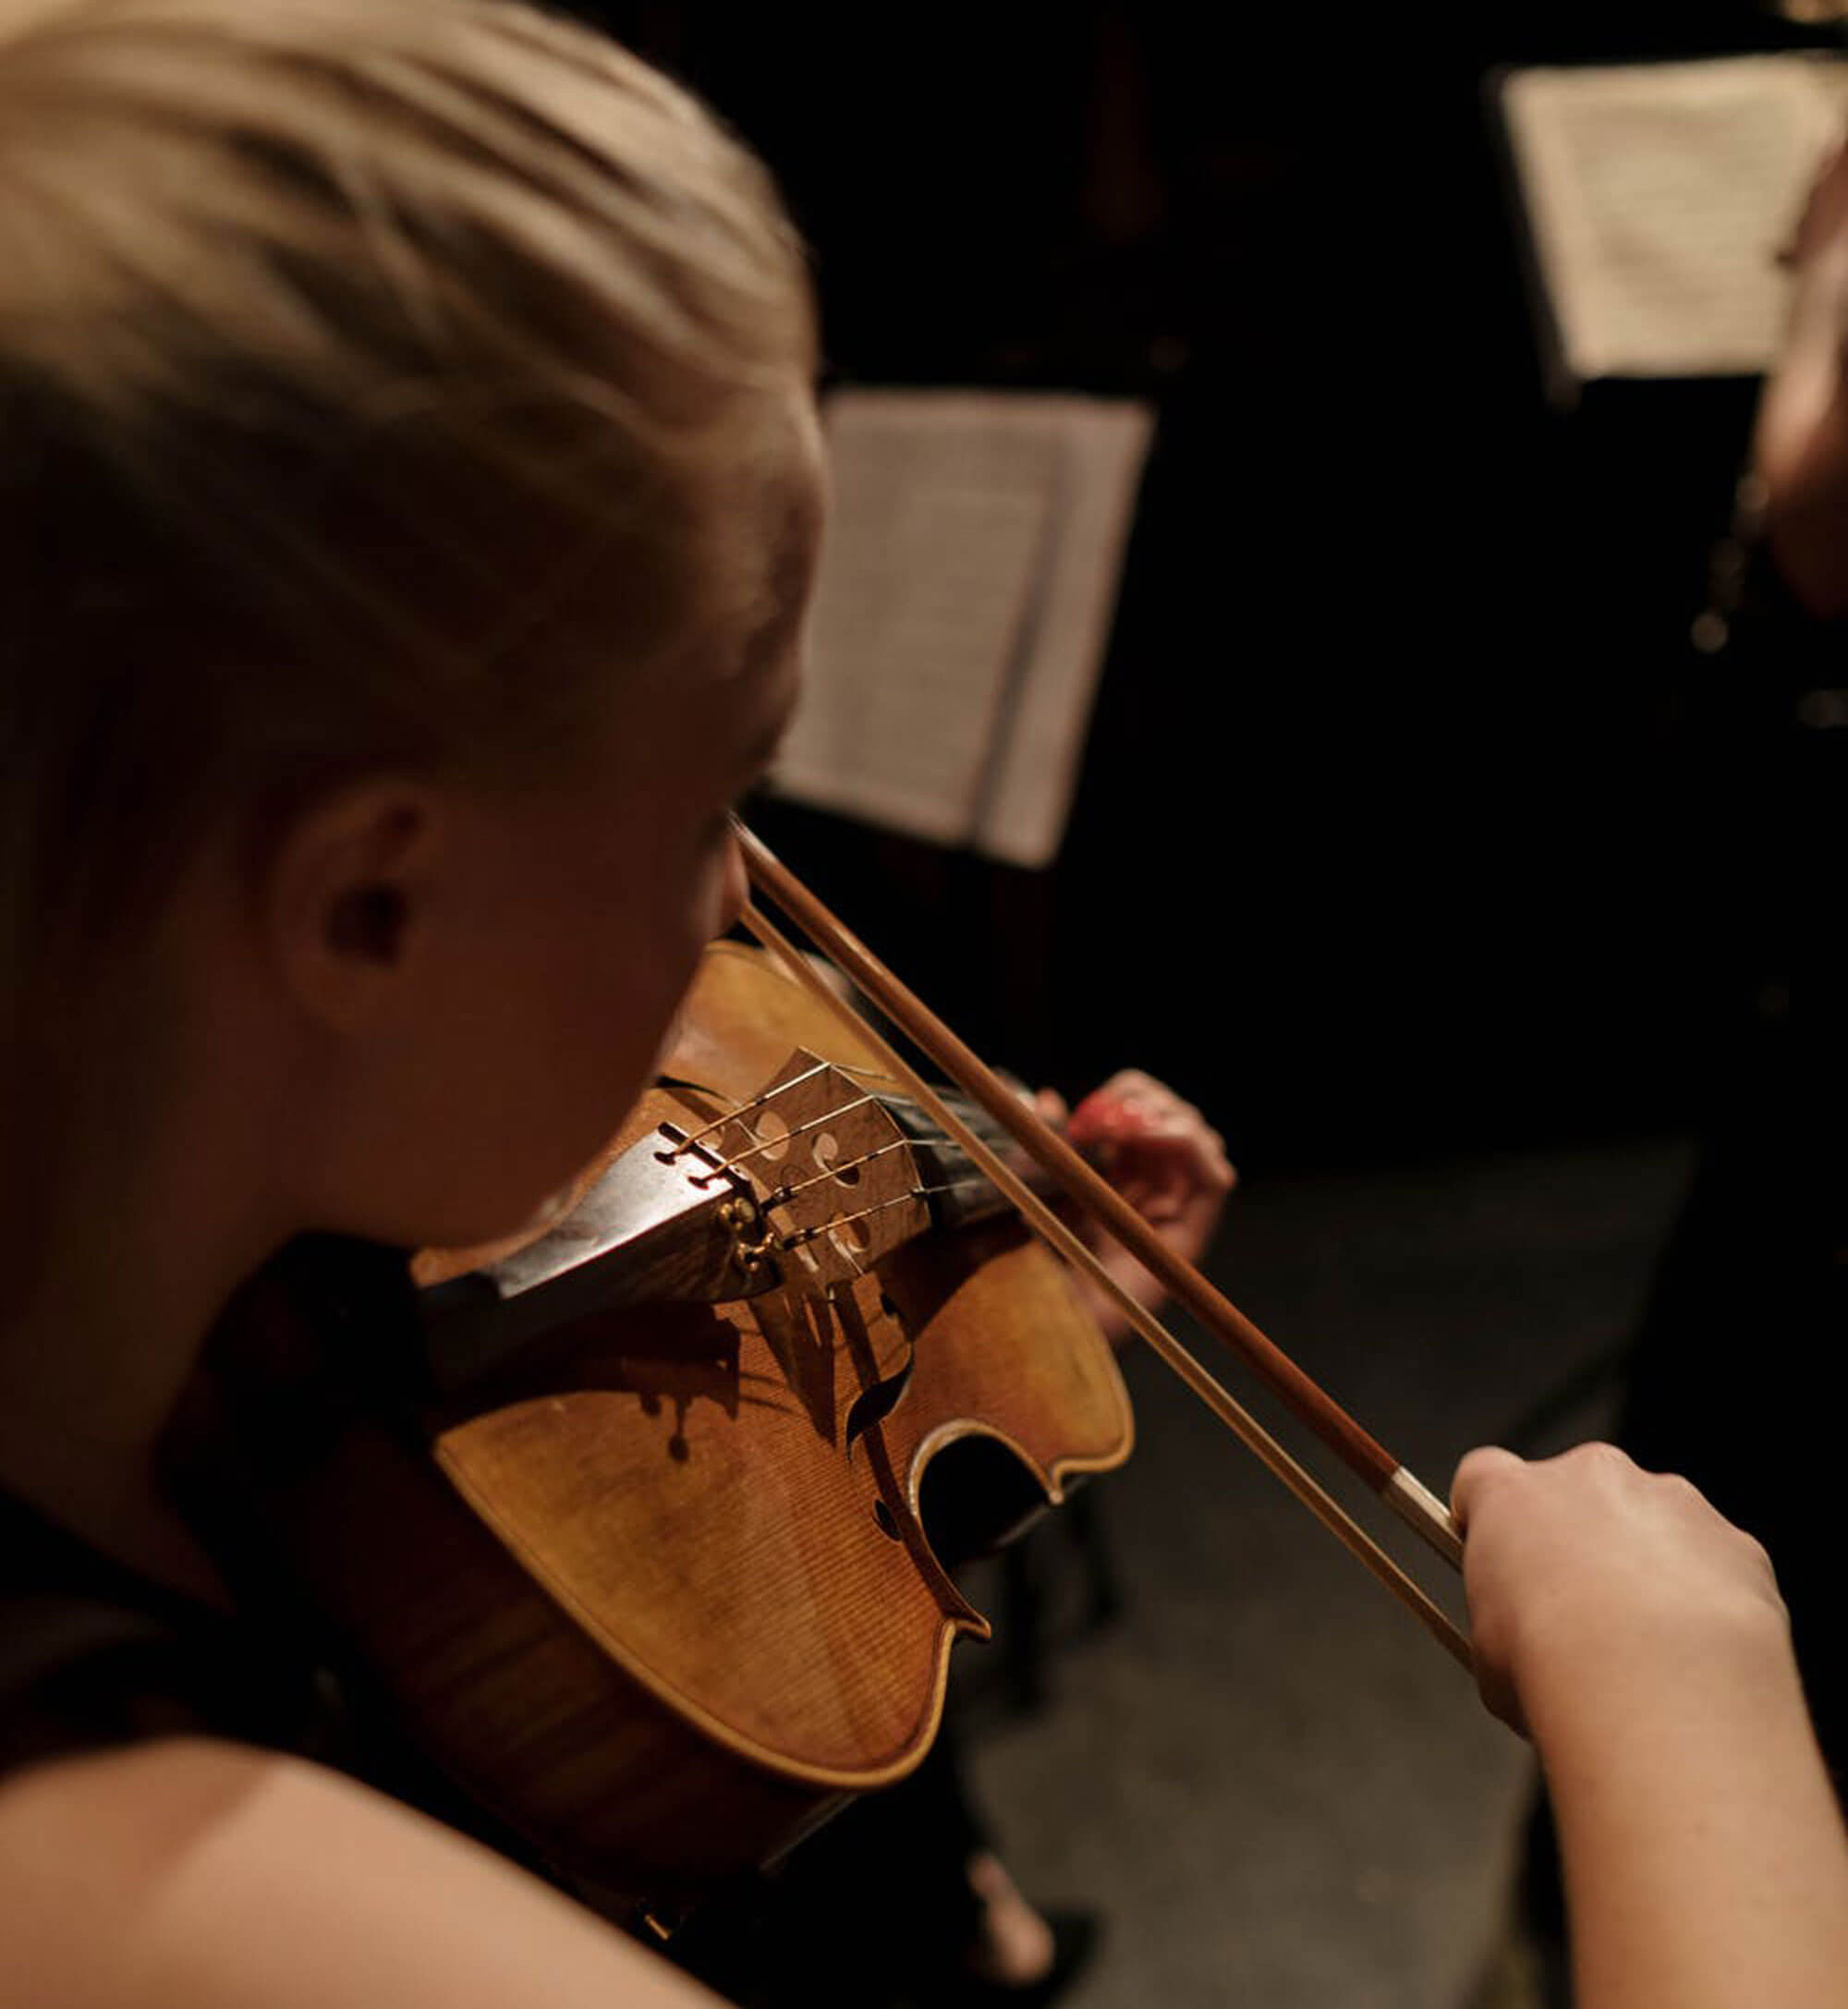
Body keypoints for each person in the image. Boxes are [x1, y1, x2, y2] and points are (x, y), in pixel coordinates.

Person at [0, 6, 1840, 2007]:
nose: (746, 916)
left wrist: (877, 1319)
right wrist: (1695, 1724)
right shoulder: (151, 1892)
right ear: (367, 901)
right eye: (720, 801)